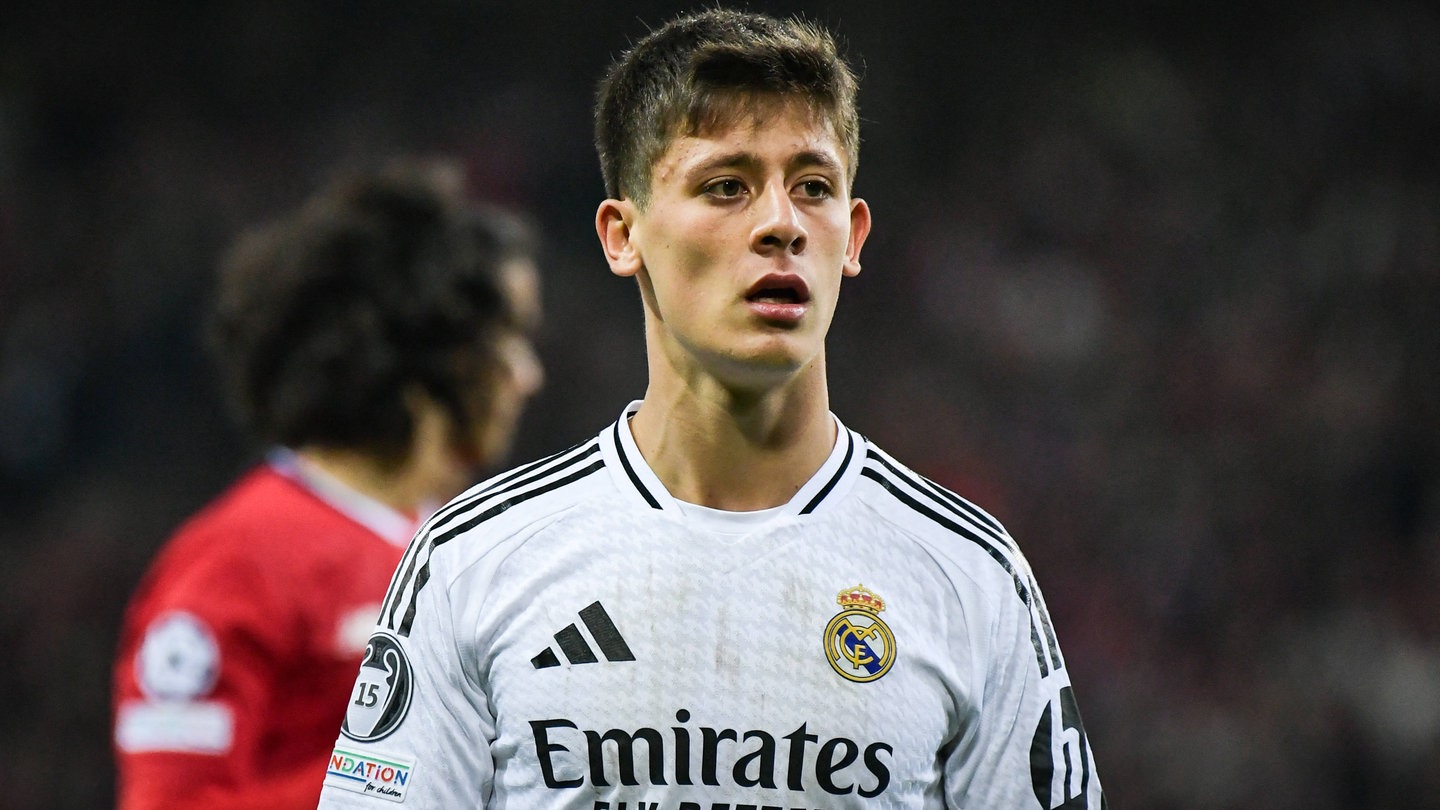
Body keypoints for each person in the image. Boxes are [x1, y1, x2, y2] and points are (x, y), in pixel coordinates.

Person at [318, 9, 1105, 809]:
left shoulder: (968, 576)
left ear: (854, 235)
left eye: (814, 187)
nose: (780, 225)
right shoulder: (475, 563)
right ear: (623, 235)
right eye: (726, 186)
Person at [111, 158, 544, 810]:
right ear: (434, 350)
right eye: (508, 340)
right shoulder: (237, 559)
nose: (527, 376)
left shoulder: (471, 551)